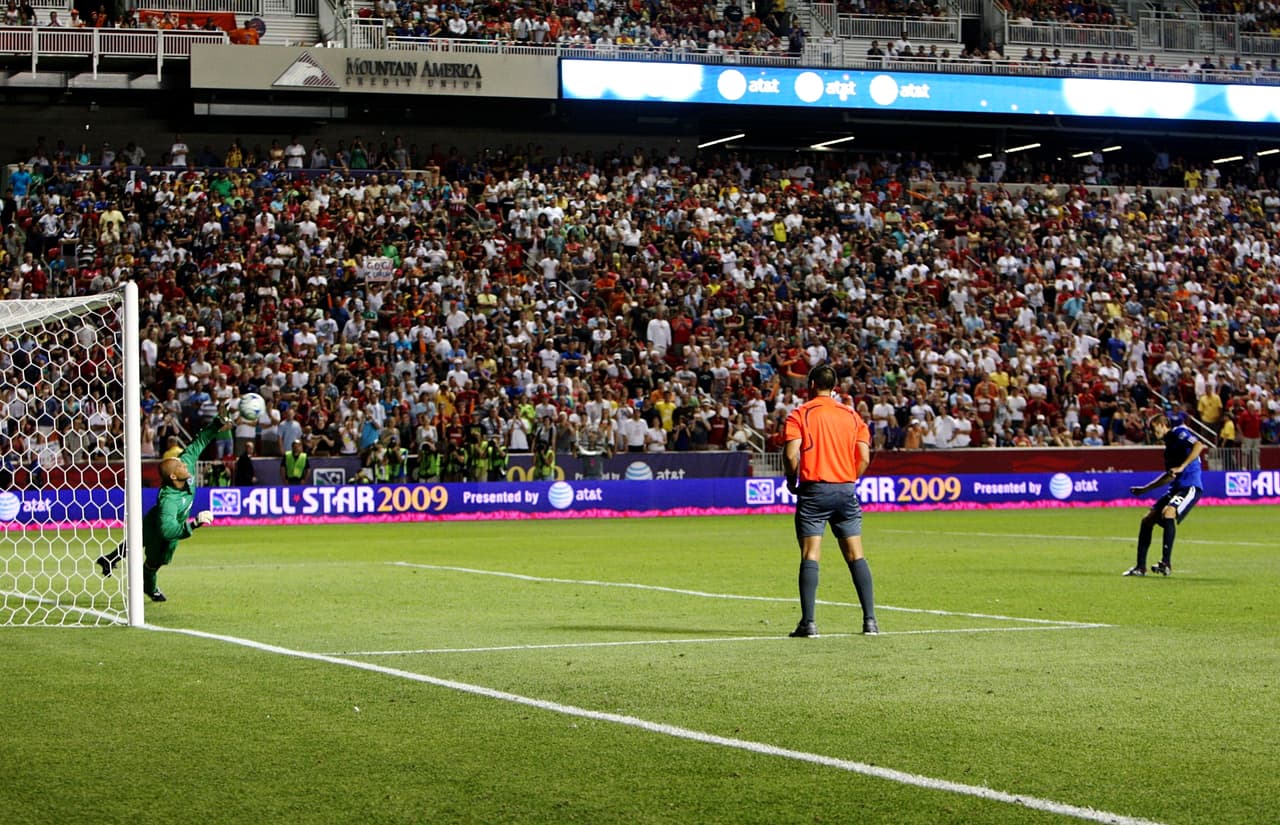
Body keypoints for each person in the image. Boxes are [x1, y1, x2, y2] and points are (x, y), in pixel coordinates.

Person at [783, 364, 878, 637]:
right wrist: (849, 478)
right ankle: (870, 621)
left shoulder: (800, 414)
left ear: (811, 384)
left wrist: (792, 481)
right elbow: (865, 456)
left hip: (815, 489)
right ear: (835, 386)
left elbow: (791, 455)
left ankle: (809, 623)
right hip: (845, 490)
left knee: (810, 554)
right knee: (856, 554)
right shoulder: (852, 415)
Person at [94, 414, 222, 602]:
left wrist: (218, 422)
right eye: (180, 466)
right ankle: (150, 588)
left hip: (156, 518)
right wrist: (194, 524)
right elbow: (168, 530)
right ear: (173, 477)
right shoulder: (169, 501)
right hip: (163, 528)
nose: (185, 465)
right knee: (155, 562)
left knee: (135, 542)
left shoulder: (185, 467)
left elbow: (199, 442)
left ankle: (110, 558)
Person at [1123, 414, 1206, 577]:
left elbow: (1198, 445)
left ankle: (1165, 563)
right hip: (1175, 489)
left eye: (1154, 428)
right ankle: (1140, 567)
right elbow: (1169, 476)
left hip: (1190, 487)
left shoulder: (1179, 432)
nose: (1153, 433)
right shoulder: (1168, 450)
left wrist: (1182, 466)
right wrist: (1145, 489)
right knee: (1147, 520)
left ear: (1162, 424)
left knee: (1168, 512)